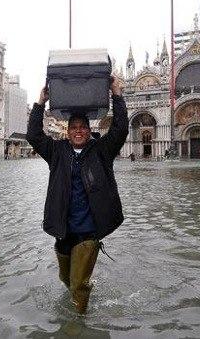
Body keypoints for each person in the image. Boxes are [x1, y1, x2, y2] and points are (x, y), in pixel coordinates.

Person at [26, 76, 128, 314]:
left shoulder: (102, 151)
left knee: (78, 285)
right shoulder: (57, 151)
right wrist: (40, 103)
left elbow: (120, 129)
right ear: (68, 131)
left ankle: (77, 326)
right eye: (74, 128)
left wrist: (117, 95)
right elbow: (33, 136)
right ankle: (81, 298)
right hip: (63, 230)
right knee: (67, 279)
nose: (79, 131)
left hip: (89, 230)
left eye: (83, 127)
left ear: (89, 130)